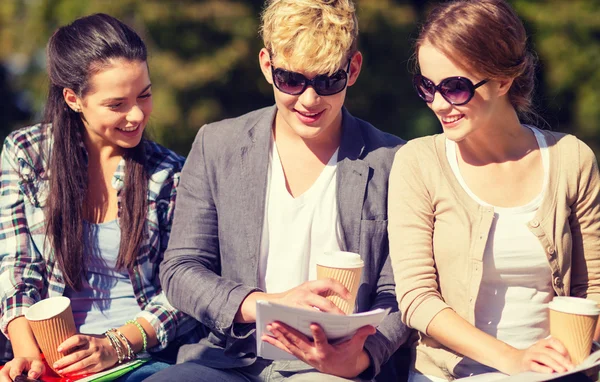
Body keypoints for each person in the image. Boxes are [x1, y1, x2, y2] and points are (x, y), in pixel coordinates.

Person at [144, 0, 409, 381]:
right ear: (267, 65)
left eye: (328, 81)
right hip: (229, 359)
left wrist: (361, 357)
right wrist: (264, 304)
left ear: (353, 69)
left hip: (334, 368)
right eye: (291, 80)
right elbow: (181, 270)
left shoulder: (392, 160)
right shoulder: (216, 144)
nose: (309, 99)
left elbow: (400, 291)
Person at [387, 0, 600, 381]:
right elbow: (417, 300)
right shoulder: (417, 163)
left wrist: (564, 360)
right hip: (450, 375)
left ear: (503, 80)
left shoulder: (572, 159)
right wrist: (514, 360)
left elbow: (594, 289)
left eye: (454, 88)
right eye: (427, 86)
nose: (438, 103)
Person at [0, 13, 198, 382]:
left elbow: (183, 290)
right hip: (46, 358)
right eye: (116, 104)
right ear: (74, 99)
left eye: (145, 95)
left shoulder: (170, 173)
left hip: (139, 358)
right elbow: (17, 268)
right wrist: (28, 358)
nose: (136, 115)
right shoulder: (26, 153)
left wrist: (114, 346)